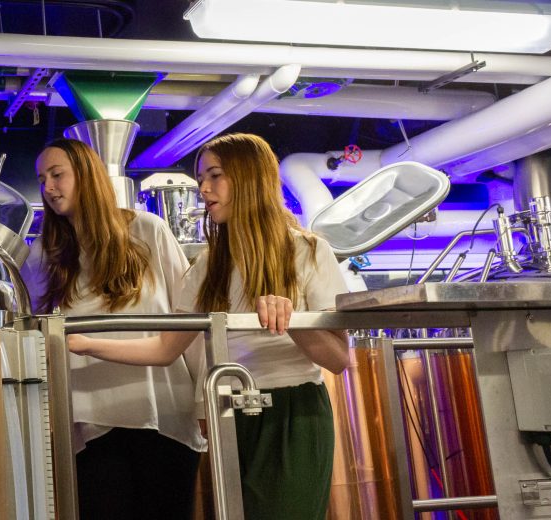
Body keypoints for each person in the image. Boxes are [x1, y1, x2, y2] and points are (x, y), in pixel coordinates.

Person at [69, 132, 349, 520]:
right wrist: (83, 343)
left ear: (249, 178)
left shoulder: (307, 250)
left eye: (215, 176)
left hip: (292, 413)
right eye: (202, 178)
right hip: (228, 414)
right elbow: (165, 349)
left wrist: (293, 320)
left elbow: (338, 359)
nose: (203, 188)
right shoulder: (206, 267)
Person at [20, 138, 207, 520]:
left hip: (163, 415)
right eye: (42, 180)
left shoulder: (148, 230)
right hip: (91, 423)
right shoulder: (45, 254)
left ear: (87, 176)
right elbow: (31, 333)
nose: (48, 189)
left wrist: (206, 399)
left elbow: (188, 319)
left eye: (57, 175)